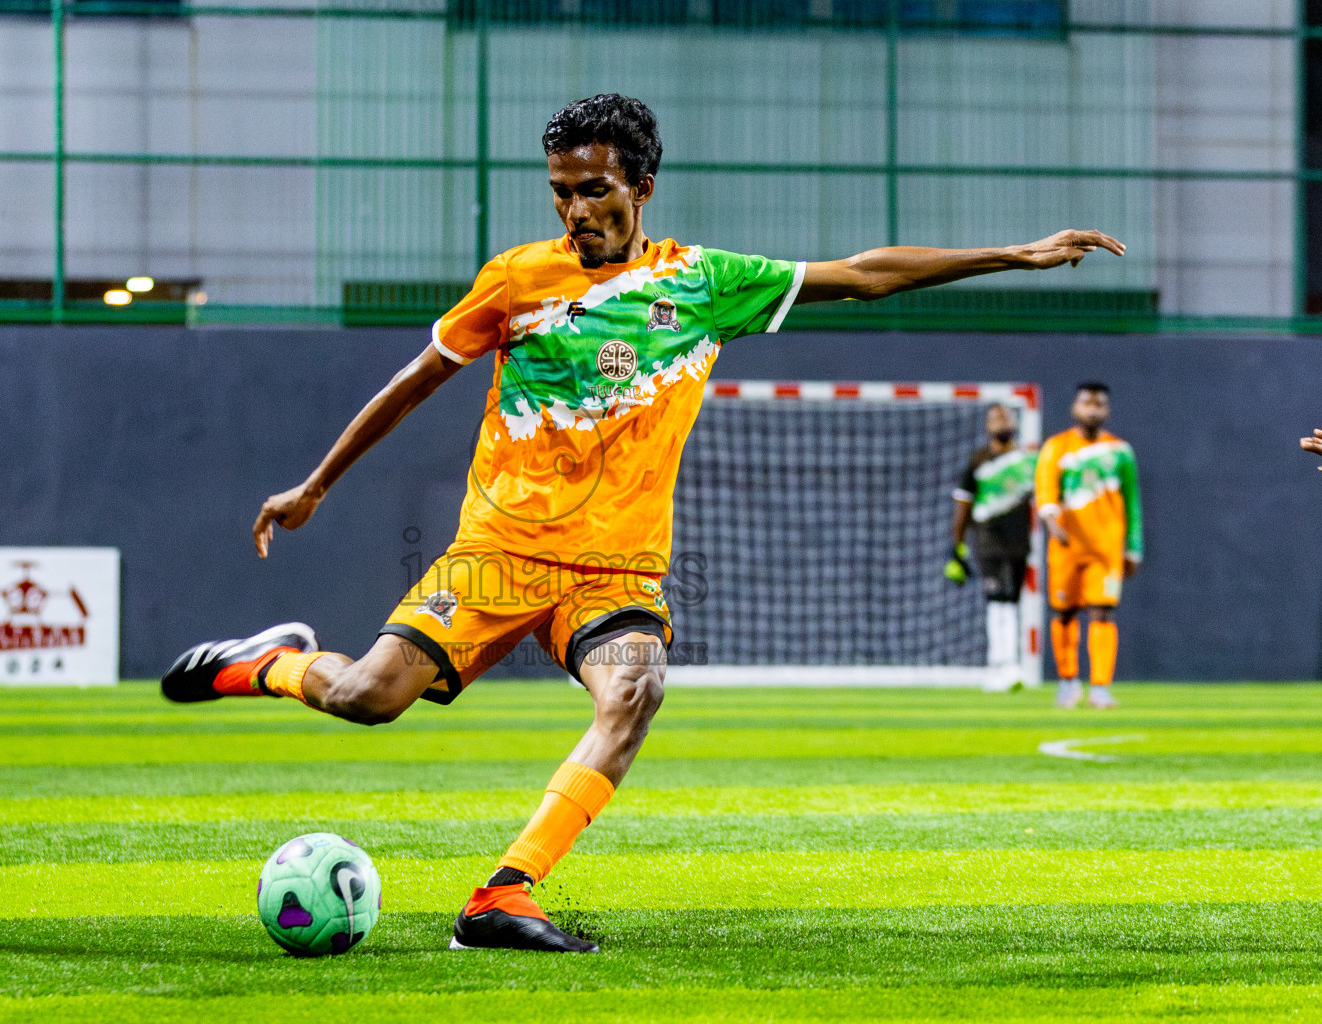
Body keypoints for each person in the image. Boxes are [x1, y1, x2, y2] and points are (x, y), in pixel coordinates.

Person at [161, 94, 1124, 952]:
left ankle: (503, 894)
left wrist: (1015, 254)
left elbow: (864, 273)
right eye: (560, 193)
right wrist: (317, 484)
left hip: (615, 571)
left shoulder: (703, 284)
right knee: (367, 697)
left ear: (641, 187)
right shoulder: (515, 282)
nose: (576, 211)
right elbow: (416, 381)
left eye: (593, 190)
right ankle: (268, 661)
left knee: (635, 691)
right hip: (499, 552)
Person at [1035, 382, 1142, 710]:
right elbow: (1045, 488)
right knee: (1064, 612)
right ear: (1075, 408)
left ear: (1107, 411)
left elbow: (1132, 501)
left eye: (1099, 404)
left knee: (1103, 612)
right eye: (1086, 403)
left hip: (1106, 547)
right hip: (1067, 546)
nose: (1092, 409)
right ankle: (1068, 681)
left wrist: (1133, 546)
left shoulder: (1120, 451)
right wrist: (1053, 522)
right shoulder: (1057, 447)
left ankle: (1100, 687)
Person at [947, 403, 1036, 684]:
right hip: (988, 542)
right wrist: (957, 548)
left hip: (1019, 542)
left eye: (1006, 417)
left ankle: (1007, 663)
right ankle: (1002, 664)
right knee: (998, 601)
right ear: (987, 426)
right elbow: (963, 508)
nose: (1000, 423)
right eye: (995, 418)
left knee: (1013, 601)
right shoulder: (978, 461)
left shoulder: (1028, 461)